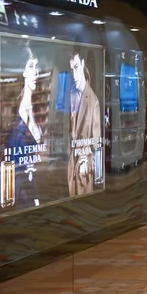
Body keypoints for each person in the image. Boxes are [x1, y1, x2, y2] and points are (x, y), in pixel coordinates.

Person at [7, 47, 43, 208]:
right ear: (22, 72)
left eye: (37, 66)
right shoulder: (19, 116)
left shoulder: (32, 109)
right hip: (23, 195)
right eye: (30, 66)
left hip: (36, 187)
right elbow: (16, 170)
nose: (35, 72)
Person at [68, 49, 101, 197]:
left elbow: (97, 145)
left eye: (76, 68)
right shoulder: (72, 95)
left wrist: (88, 166)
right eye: (71, 70)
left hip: (84, 173)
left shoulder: (93, 102)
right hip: (71, 169)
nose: (74, 75)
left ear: (82, 64)